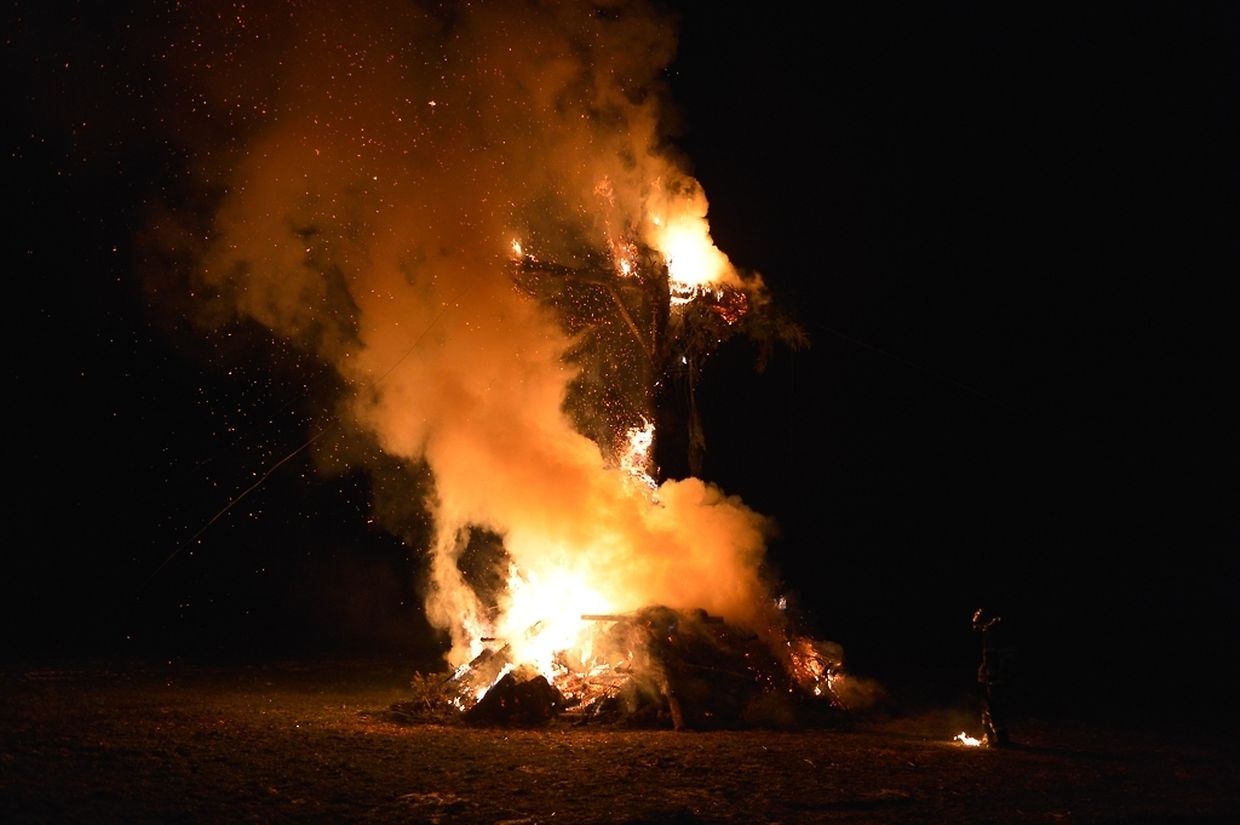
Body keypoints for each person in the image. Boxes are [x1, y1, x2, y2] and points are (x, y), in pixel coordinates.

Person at [973, 607, 1016, 747]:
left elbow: (990, 658)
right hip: (997, 676)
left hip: (993, 678)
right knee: (988, 705)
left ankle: (1000, 739)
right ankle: (990, 736)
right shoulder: (1000, 633)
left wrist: (990, 675)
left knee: (992, 706)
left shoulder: (991, 634)